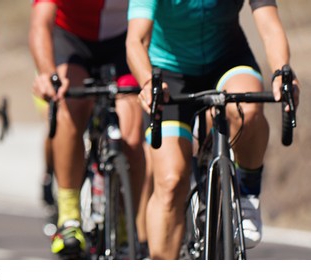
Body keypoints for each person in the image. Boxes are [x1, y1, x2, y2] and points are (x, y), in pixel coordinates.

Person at [126, 0, 301, 259]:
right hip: (169, 73)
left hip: (227, 61)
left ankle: (248, 191)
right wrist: (147, 80)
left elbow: (269, 25)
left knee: (248, 110)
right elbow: (136, 40)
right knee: (171, 181)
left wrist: (281, 72)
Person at [29, 0, 146, 258]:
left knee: (132, 137)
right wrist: (47, 73)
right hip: (71, 42)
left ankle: (127, 223)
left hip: (123, 42)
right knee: (71, 104)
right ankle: (69, 215)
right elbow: (40, 22)